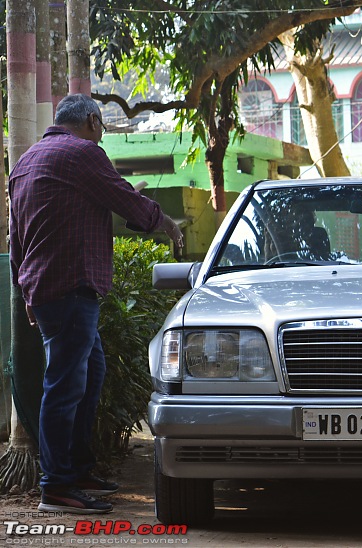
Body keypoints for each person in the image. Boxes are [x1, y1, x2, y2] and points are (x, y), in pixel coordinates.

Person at [8, 94, 184, 515]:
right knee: (65, 386)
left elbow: (17, 238)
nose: (102, 134)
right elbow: (126, 201)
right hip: (70, 288)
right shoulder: (83, 152)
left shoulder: (28, 160)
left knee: (89, 372)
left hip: (50, 290)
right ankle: (57, 486)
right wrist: (167, 225)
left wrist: (26, 291)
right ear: (90, 120)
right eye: (102, 126)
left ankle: (77, 469)